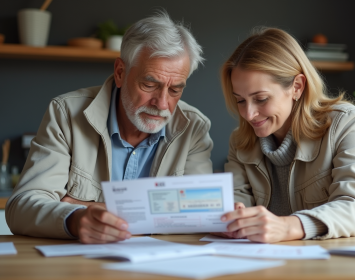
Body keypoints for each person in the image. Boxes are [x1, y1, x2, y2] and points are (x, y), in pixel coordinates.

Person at [6, 11, 213, 243]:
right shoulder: (65, 112)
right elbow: (20, 208)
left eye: (175, 89)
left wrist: (90, 206)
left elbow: (200, 215)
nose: (162, 104)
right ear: (120, 72)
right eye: (149, 84)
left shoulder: (194, 127)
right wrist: (75, 219)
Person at [218, 27, 355, 243]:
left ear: (297, 87)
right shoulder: (240, 141)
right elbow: (237, 202)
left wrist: (288, 226)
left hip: (353, 259)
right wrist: (230, 219)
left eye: (261, 99)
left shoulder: (346, 123)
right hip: (281, 263)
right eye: (240, 100)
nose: (248, 114)